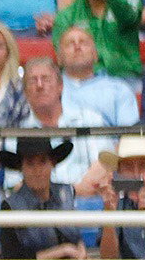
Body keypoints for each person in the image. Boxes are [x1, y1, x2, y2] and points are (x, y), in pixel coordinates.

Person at [0, 136, 91, 260]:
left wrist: (79, 250)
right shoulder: (10, 206)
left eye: (42, 162)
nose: (37, 170)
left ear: (52, 164)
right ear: (21, 168)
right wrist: (62, 251)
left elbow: (76, 239)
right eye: (30, 164)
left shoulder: (66, 194)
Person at [11, 56, 109, 192]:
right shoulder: (16, 132)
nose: (39, 85)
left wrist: (68, 194)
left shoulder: (90, 120)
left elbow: (103, 164)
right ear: (25, 92)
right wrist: (69, 193)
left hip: (87, 206)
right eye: (33, 81)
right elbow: (14, 185)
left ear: (60, 86)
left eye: (46, 79)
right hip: (39, 209)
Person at [53, 0, 142, 82]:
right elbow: (62, 54)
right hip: (83, 80)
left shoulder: (130, 0)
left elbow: (131, 17)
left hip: (126, 78)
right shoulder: (67, 15)